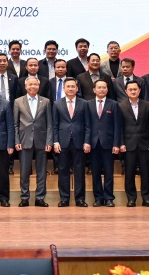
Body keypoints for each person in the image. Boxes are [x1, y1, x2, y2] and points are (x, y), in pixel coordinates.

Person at [14, 77, 52, 207]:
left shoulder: (46, 101)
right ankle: (24, 197)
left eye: (35, 84)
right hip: (24, 140)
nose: (32, 87)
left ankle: (40, 198)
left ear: (39, 86)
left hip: (42, 140)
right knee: (24, 171)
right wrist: (16, 140)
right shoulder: (18, 101)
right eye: (30, 84)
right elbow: (15, 124)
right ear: (25, 86)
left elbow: (49, 124)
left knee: (42, 171)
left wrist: (49, 141)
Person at [53, 78, 89, 207]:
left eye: (73, 86)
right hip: (62, 142)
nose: (70, 88)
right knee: (63, 171)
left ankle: (80, 199)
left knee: (80, 171)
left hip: (80, 142)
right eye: (68, 86)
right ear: (64, 88)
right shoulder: (57, 103)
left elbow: (88, 125)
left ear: (77, 88)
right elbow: (55, 125)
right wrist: (55, 141)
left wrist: (87, 141)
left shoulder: (84, 103)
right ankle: (64, 199)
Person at [119, 80, 149, 207]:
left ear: (139, 90)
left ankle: (146, 198)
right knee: (129, 173)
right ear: (126, 91)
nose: (133, 91)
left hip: (144, 144)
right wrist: (121, 143)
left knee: (145, 173)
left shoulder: (147, 105)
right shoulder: (121, 106)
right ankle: (131, 199)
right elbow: (119, 127)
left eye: (135, 89)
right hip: (128, 145)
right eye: (130, 89)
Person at [86, 80, 122, 207]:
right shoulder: (88, 104)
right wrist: (87, 142)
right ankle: (98, 198)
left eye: (104, 87)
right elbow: (87, 125)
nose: (101, 90)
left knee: (108, 172)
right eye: (99, 87)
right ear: (94, 90)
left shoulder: (114, 104)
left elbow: (117, 126)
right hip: (93, 143)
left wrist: (116, 144)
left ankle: (109, 198)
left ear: (107, 89)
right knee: (95, 172)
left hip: (109, 143)